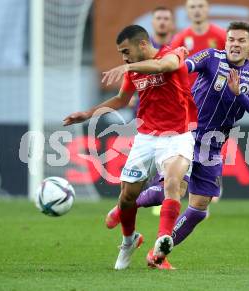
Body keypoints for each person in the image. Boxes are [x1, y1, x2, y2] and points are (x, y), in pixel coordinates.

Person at [106, 21, 249, 269]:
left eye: (241, 41)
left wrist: (239, 94)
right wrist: (161, 64)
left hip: (213, 144)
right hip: (188, 133)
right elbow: (182, 65)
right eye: (231, 40)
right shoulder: (211, 56)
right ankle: (126, 206)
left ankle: (156, 254)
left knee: (199, 209)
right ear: (225, 42)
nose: (235, 44)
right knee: (172, 189)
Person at [63, 24, 197, 270]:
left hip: (177, 135)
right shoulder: (133, 71)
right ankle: (129, 240)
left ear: (143, 44)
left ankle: (162, 239)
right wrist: (87, 113)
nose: (123, 57)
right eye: (121, 53)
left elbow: (163, 66)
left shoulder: (173, 52)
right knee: (127, 198)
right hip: (146, 137)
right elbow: (122, 99)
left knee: (172, 183)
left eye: (126, 51)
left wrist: (129, 66)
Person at [170, 0, 226, 85]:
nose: (197, 10)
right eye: (192, 7)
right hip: (189, 94)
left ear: (208, 9)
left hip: (215, 93)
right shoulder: (179, 39)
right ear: (187, 11)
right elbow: (173, 68)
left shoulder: (222, 35)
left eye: (200, 6)